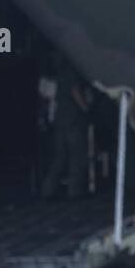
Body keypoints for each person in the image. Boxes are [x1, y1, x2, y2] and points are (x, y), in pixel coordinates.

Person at [41, 57, 92, 198]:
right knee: (77, 156)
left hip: (60, 120)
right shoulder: (72, 76)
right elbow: (76, 94)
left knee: (60, 157)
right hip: (73, 121)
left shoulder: (59, 77)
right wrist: (86, 108)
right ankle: (74, 190)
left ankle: (48, 189)